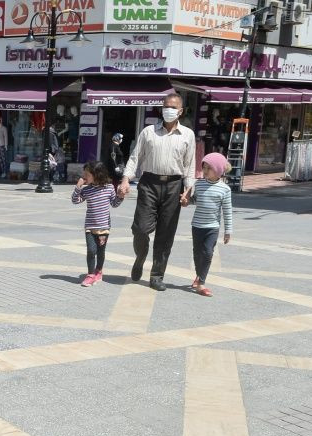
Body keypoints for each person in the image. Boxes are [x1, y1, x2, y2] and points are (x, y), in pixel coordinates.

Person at [120, 93, 196, 291]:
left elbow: (189, 165)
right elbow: (135, 157)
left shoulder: (188, 135)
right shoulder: (148, 132)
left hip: (174, 186)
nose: (168, 109)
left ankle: (156, 275)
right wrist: (126, 179)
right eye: (165, 106)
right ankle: (140, 257)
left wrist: (188, 191)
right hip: (149, 183)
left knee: (166, 233)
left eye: (172, 107)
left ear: (180, 111)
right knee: (140, 229)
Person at [182, 152, 233, 298]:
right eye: (203, 168)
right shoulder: (199, 184)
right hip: (197, 226)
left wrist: (228, 231)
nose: (204, 171)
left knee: (208, 253)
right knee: (197, 253)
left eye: (208, 168)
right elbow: (194, 200)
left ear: (217, 170)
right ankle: (199, 276)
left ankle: (201, 282)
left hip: (212, 227)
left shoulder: (225, 189)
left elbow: (227, 211)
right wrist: (186, 202)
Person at [71, 161, 123, 287]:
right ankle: (90, 275)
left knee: (100, 251)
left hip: (104, 227)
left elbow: (114, 204)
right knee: (91, 250)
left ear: (97, 175)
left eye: (87, 174)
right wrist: (78, 187)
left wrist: (120, 196)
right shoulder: (87, 190)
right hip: (90, 226)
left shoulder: (109, 188)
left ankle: (98, 271)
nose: (84, 176)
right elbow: (75, 200)